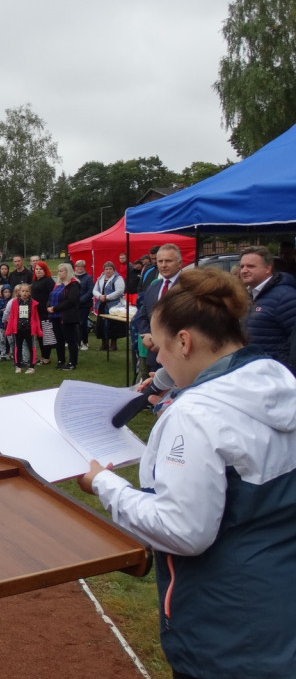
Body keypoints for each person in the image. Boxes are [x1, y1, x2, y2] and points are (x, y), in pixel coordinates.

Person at [79, 267, 296, 679]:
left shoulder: (196, 415)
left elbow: (183, 530)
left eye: (159, 348)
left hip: (224, 623)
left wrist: (106, 486)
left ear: (184, 341)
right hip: (279, 603)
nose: (157, 359)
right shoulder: (277, 383)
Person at [237, 245, 296, 374]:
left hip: (276, 377)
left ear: (268, 268)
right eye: (242, 266)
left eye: (250, 266)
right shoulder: (247, 295)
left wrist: (286, 370)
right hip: (252, 373)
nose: (244, 271)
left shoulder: (285, 297)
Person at [134, 244, 184, 370]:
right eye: (160, 261)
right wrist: (148, 335)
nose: (163, 265)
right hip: (155, 357)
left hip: (180, 358)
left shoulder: (188, 287)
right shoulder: (153, 287)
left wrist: (161, 342)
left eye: (168, 261)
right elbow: (142, 316)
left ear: (180, 263)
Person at [48, 263, 80, 370]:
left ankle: (72, 362)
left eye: (61, 271)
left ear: (68, 271)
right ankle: (61, 360)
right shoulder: (57, 284)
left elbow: (71, 300)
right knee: (59, 340)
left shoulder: (73, 284)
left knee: (70, 340)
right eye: (59, 271)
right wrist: (48, 306)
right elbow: (51, 296)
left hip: (67, 316)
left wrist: (55, 308)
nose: (59, 273)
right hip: (55, 316)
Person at [6, 283, 41, 374]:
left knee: (31, 347)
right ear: (19, 292)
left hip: (29, 329)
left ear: (30, 293)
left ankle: (32, 367)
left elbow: (36, 317)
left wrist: (38, 330)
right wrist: (9, 329)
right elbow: (12, 317)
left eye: (27, 291)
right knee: (18, 347)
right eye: (23, 291)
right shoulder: (15, 302)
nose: (25, 293)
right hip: (18, 329)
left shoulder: (32, 303)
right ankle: (18, 365)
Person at [93, 260, 126, 351]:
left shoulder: (118, 278)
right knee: (101, 324)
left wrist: (107, 297)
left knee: (112, 324)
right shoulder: (100, 278)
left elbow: (119, 291)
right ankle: (104, 344)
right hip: (102, 304)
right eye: (106, 269)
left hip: (113, 305)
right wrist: (99, 296)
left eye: (110, 269)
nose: (108, 271)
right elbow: (95, 290)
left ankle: (113, 344)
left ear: (113, 270)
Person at [30, 261, 55, 365]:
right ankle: (43, 356)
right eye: (36, 269)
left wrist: (49, 307)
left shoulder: (49, 281)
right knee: (40, 335)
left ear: (45, 270)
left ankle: (46, 358)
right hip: (36, 312)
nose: (38, 271)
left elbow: (52, 296)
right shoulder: (34, 281)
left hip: (46, 312)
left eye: (41, 269)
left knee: (46, 335)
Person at [73, 260, 94, 350]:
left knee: (82, 323)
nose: (79, 268)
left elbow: (90, 292)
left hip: (84, 304)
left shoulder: (88, 278)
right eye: (78, 266)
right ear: (75, 267)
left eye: (81, 266)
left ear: (84, 267)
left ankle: (84, 342)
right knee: (74, 323)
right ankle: (76, 341)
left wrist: (81, 300)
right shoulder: (72, 277)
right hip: (73, 304)